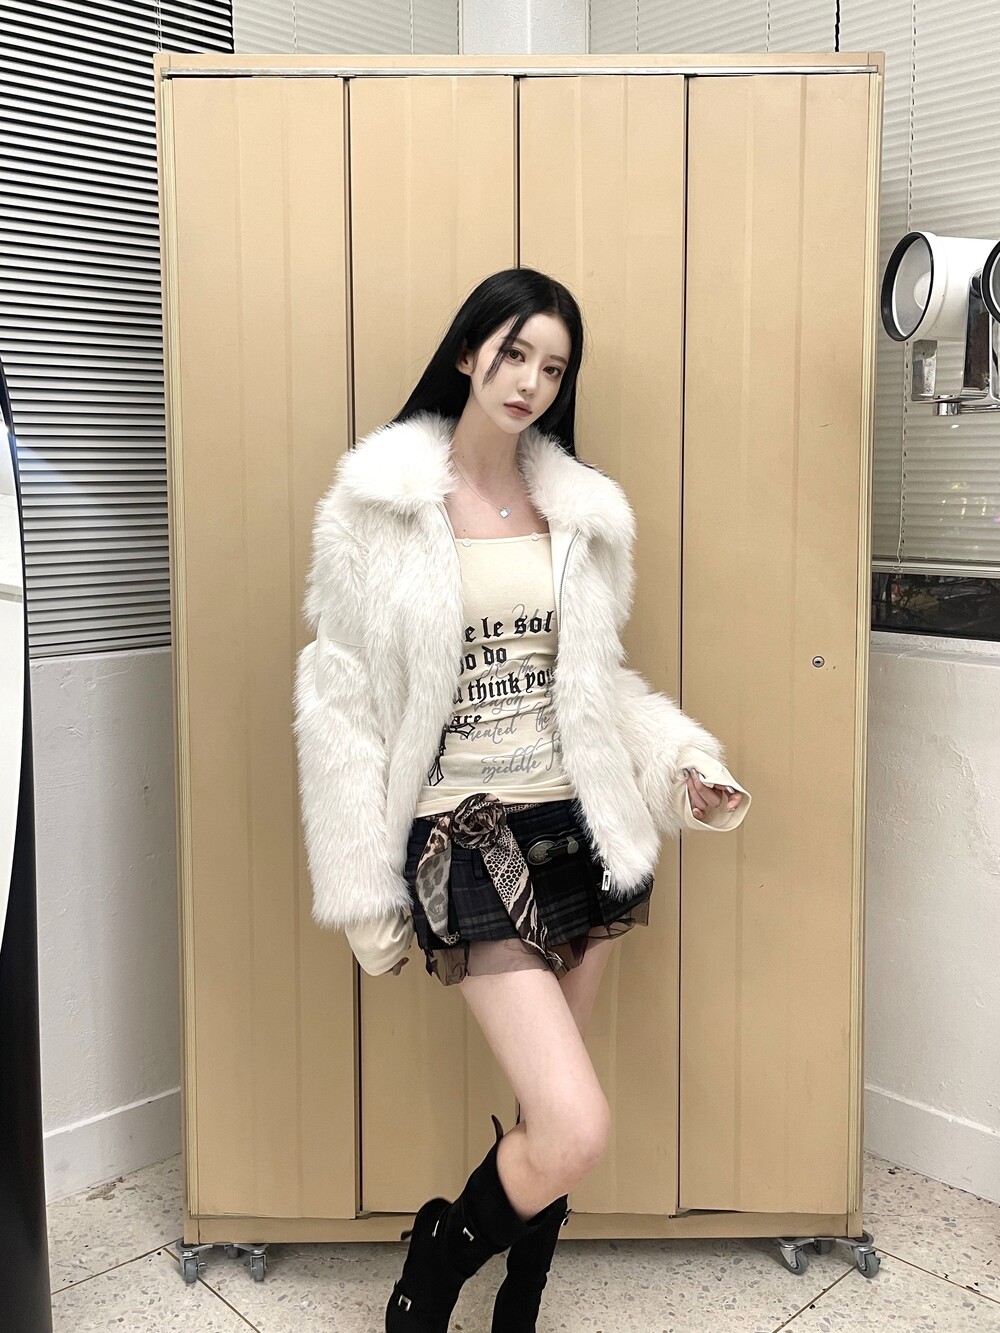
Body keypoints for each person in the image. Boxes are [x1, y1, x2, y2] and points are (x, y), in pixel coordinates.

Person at [292, 267, 750, 1332]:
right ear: (468, 353)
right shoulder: (377, 508)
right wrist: (360, 888)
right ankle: (434, 1268)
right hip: (463, 834)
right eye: (513, 354)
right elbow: (340, 705)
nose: (531, 381)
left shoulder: (579, 513)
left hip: (578, 823)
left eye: (552, 365)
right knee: (576, 1125)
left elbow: (592, 688)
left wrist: (680, 761)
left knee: (550, 1109)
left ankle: (523, 1293)